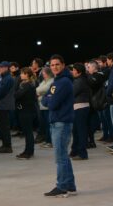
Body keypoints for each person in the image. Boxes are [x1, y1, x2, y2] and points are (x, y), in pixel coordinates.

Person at [42, 55, 76, 198]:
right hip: (58, 121)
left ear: (63, 65)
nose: (54, 67)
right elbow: (45, 100)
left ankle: (62, 186)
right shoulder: (58, 81)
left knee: (60, 157)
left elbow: (52, 103)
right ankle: (69, 185)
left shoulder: (62, 82)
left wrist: (48, 97)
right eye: (52, 65)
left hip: (61, 122)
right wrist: (48, 97)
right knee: (63, 156)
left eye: (57, 64)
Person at [0, 61, 16, 153]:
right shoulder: (5, 78)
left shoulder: (8, 78)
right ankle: (5, 145)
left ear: (6, 68)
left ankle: (7, 146)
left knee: (4, 127)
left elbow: (2, 92)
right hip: (3, 104)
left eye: (1, 67)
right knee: (2, 126)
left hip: (5, 105)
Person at [70, 63, 91, 160]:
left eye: (74, 70)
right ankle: (75, 151)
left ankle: (82, 154)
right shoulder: (80, 80)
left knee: (81, 131)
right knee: (76, 131)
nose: (72, 71)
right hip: (79, 107)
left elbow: (72, 93)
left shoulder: (80, 81)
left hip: (80, 108)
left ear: (79, 71)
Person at [14, 67, 37, 159]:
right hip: (28, 110)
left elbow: (16, 95)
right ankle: (28, 151)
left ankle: (28, 152)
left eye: (22, 73)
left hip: (26, 111)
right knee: (28, 132)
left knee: (28, 132)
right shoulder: (29, 84)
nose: (20, 75)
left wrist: (17, 85)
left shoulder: (26, 85)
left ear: (27, 74)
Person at [36, 67, 54, 148]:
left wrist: (40, 93)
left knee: (48, 125)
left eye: (44, 73)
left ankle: (50, 141)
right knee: (44, 124)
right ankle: (47, 140)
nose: (42, 74)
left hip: (47, 106)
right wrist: (40, 92)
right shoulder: (44, 81)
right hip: (42, 105)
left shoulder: (52, 81)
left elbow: (46, 89)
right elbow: (38, 89)